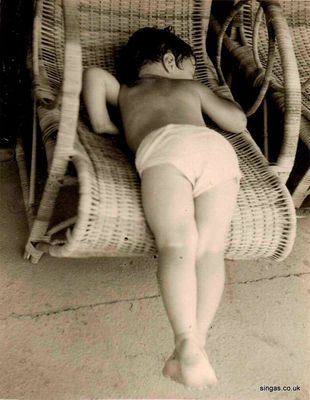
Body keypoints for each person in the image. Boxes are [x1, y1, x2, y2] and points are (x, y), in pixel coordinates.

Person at [84, 26, 247, 389]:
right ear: (171, 61)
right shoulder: (192, 88)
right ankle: (195, 343)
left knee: (177, 243)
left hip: (166, 148)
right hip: (216, 151)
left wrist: (103, 121)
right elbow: (237, 122)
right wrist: (214, 95)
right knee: (210, 249)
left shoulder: (126, 89)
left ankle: (186, 342)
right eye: (190, 67)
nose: (192, 75)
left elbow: (93, 75)